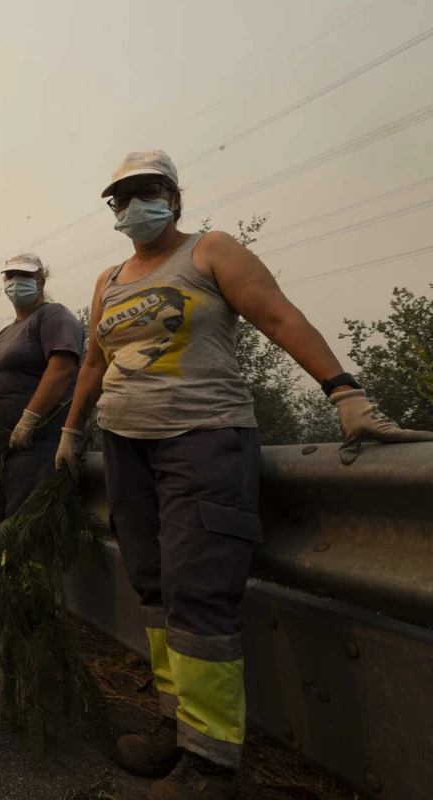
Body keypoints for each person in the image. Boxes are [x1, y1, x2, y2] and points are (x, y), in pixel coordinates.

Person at [55, 150, 433, 800]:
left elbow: (278, 316)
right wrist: (71, 432)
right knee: (153, 586)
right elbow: (94, 361)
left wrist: (344, 392)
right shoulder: (108, 279)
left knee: (198, 590)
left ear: (174, 197)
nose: (133, 205)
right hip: (124, 445)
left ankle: (211, 764)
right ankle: (177, 724)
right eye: (121, 196)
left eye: (147, 190)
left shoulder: (210, 251)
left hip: (204, 439)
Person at [0, 252, 83, 521]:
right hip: (2, 449)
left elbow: (61, 368)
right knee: (9, 523)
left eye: (25, 275)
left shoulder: (52, 316)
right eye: (11, 276)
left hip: (35, 445)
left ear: (41, 281)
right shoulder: (5, 334)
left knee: (27, 523)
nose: (16, 282)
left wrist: (29, 419)